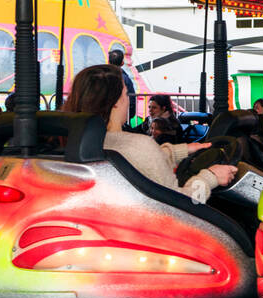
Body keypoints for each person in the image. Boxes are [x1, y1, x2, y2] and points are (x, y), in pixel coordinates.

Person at [65, 65, 235, 202]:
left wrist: (177, 151)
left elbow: (139, 163)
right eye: (125, 94)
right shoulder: (138, 146)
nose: (128, 99)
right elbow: (182, 204)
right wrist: (210, 177)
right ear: (116, 102)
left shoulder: (72, 144)